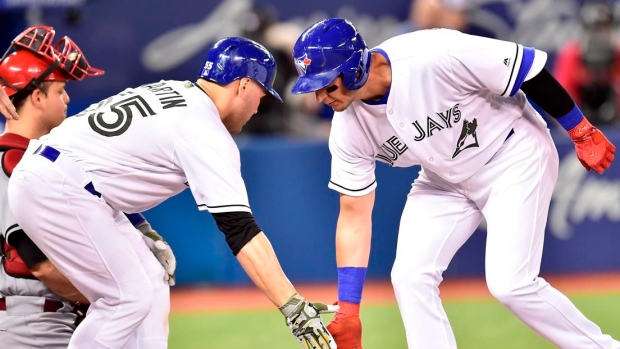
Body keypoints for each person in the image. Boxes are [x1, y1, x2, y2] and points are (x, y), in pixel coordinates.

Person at [290, 18, 617, 349]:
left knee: (511, 284)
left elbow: (526, 66)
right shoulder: (348, 128)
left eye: (327, 85)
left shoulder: (432, 53)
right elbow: (353, 216)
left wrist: (580, 129)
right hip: (443, 178)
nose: (320, 97)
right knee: (409, 277)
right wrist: (348, 309)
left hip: (512, 154)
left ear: (355, 70)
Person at [7, 36, 336, 349]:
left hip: (57, 177)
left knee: (151, 275)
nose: (257, 108)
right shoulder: (204, 130)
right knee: (126, 297)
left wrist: (138, 225)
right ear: (244, 84)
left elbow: (103, 165)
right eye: (261, 96)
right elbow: (240, 231)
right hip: (56, 187)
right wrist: (292, 306)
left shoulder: (172, 92)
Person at [0, 25, 177, 348]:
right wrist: (118, 292)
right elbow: (39, 263)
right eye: (60, 91)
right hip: (31, 326)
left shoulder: (46, 161)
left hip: (51, 319)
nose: (68, 99)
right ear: (37, 96)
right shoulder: (13, 163)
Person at [554, 0, 620, 126]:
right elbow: (557, 100)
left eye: (603, 27)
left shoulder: (618, 54)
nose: (598, 34)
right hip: (580, 126)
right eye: (592, 28)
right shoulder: (571, 55)